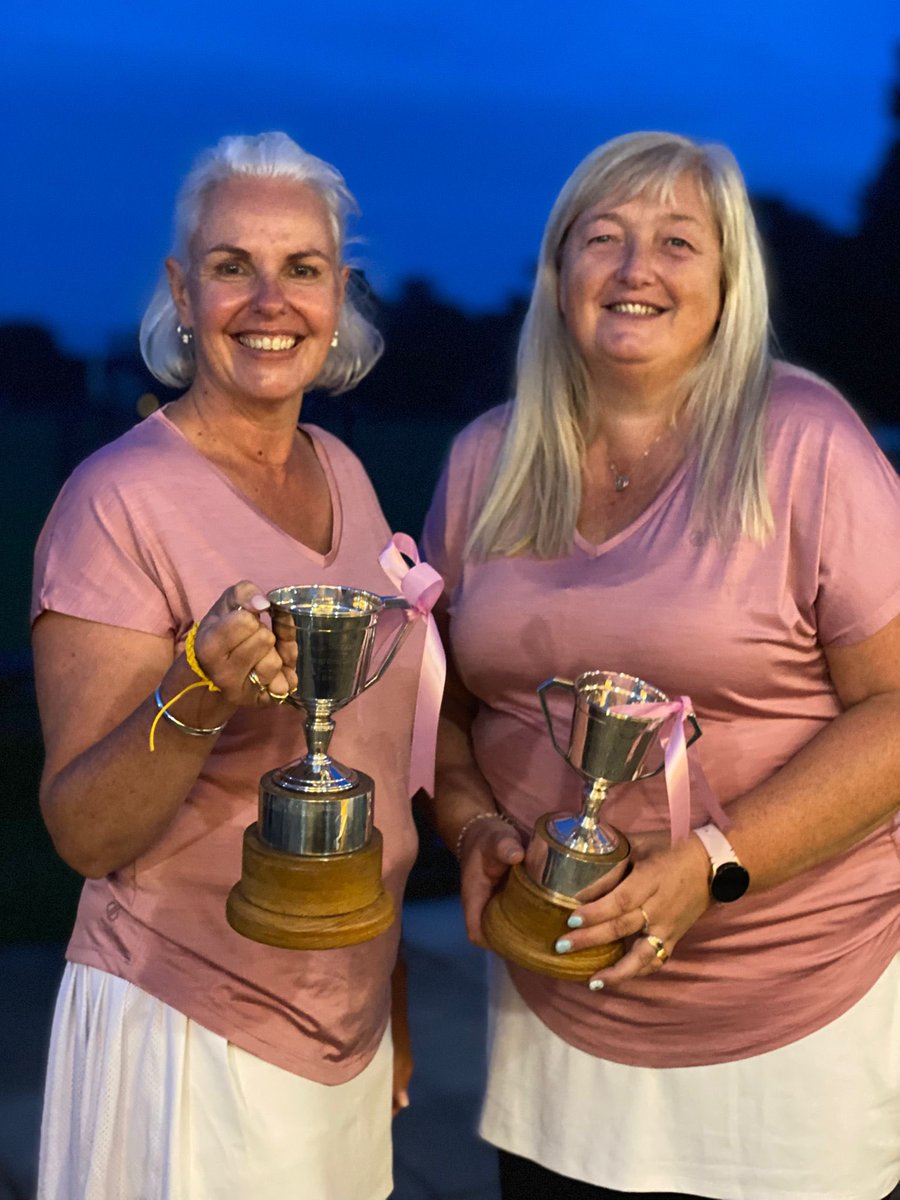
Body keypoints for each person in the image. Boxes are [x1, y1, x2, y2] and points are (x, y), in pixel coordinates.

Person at [421, 131, 900, 1200]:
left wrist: (712, 864)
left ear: (729, 284)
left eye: (678, 242)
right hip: (559, 1006)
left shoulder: (807, 440)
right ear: (557, 275)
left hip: (789, 1018)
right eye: (605, 239)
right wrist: (472, 826)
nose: (637, 269)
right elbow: (444, 708)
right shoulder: (483, 462)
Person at [32, 131, 430, 1200]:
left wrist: (385, 982)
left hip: (341, 1023)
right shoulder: (116, 502)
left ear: (340, 293)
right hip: (187, 1022)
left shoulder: (343, 471)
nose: (269, 299)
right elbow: (85, 830)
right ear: (181, 287)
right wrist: (199, 687)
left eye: (302, 268)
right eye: (230, 265)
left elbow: (369, 764)